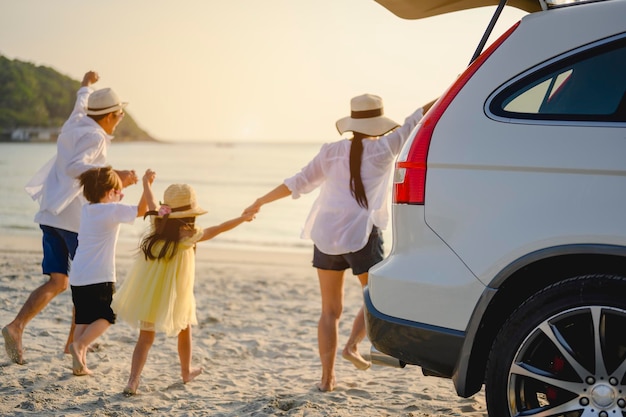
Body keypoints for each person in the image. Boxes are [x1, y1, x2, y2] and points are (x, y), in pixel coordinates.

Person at [244, 93, 433, 392]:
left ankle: (326, 378)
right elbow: (416, 118)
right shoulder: (385, 147)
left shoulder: (330, 151)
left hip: (326, 236)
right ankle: (352, 346)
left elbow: (298, 182)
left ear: (352, 122)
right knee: (375, 298)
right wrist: (456, 84)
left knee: (329, 311)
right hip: (361, 236)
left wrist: (260, 201)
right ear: (379, 122)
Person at [2, 71, 138, 365]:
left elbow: (80, 102)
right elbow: (77, 167)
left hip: (50, 213)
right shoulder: (96, 138)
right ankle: (74, 345)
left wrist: (86, 85)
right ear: (110, 116)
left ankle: (17, 327)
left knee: (58, 281)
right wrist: (117, 178)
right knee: (84, 282)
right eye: (120, 114)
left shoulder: (76, 121)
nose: (121, 118)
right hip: (74, 220)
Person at [111, 183, 255, 395]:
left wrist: (146, 183)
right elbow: (218, 229)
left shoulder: (157, 225)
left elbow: (151, 203)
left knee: (145, 338)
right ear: (190, 215)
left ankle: (133, 381)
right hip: (176, 294)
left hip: (149, 291)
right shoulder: (189, 234)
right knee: (185, 329)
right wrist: (243, 218)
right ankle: (186, 372)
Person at [68, 166, 155, 376]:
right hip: (99, 275)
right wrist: (146, 185)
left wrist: (119, 185)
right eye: (119, 192)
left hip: (78, 274)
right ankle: (79, 346)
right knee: (108, 314)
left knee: (84, 317)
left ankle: (80, 362)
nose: (121, 195)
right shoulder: (111, 210)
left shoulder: (88, 209)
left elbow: (114, 197)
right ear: (109, 193)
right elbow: (142, 210)